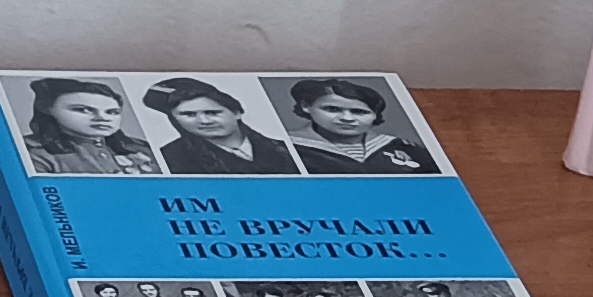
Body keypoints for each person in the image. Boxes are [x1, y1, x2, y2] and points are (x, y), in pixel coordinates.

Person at [284, 79, 437, 178]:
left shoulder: (406, 149)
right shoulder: (282, 148)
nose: (347, 118)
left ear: (375, 115)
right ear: (306, 106)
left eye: (359, 112)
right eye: (332, 109)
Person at [145, 79, 298, 175]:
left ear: (237, 112)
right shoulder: (168, 158)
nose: (204, 121)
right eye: (189, 115)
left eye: (212, 113)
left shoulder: (291, 149)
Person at [22, 79, 158, 177]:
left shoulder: (143, 149)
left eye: (112, 112)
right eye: (83, 110)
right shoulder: (32, 152)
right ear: (48, 109)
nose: (102, 118)